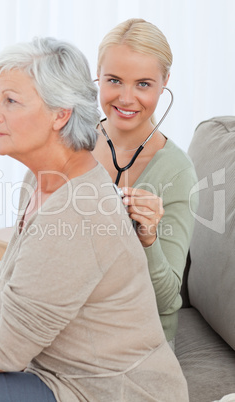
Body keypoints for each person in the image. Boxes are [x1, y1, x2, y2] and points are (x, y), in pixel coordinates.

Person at [0, 37, 189, 401]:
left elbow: (5, 351)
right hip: (59, 362)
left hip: (106, 391)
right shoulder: (43, 177)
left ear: (61, 114)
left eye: (10, 101)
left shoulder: (76, 215)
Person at [92, 18, 198, 348]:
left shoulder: (177, 172)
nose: (126, 98)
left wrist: (148, 239)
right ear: (98, 77)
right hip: (71, 306)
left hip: (130, 335)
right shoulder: (74, 142)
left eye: (143, 84)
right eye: (114, 80)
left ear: (164, 83)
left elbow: (166, 302)